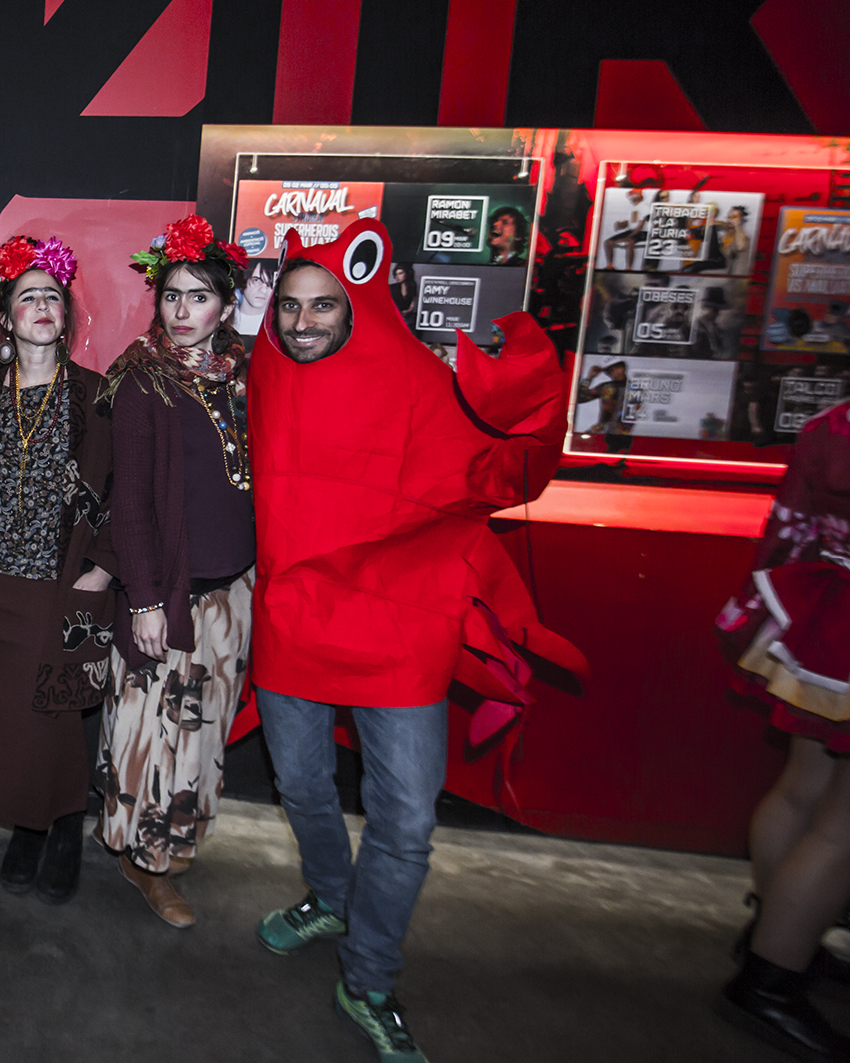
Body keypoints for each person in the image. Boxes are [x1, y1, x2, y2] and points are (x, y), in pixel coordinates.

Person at [245, 218, 583, 1063]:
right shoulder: (266, 369)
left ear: (360, 300)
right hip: (295, 623)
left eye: (323, 305)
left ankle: (368, 979)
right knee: (303, 787)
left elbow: (496, 474)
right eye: (290, 306)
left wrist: (530, 402)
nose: (303, 322)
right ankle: (332, 898)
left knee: (403, 822)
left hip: (397, 631)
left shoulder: (418, 379)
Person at [90, 216, 256, 928]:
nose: (182, 311)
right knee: (153, 735)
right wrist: (146, 600)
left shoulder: (243, 375)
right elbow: (128, 502)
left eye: (199, 296)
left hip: (233, 590)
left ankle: (174, 839)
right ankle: (144, 859)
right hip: (169, 594)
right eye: (172, 295)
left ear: (226, 304)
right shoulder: (141, 381)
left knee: (203, 734)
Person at [0, 235, 115, 904]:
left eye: (51, 297)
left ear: (65, 316)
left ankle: (64, 825)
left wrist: (102, 570)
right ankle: (27, 827)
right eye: (27, 297)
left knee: (56, 715)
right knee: (6, 714)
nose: (41, 306)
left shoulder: (95, 394)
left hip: (62, 583)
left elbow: (120, 491)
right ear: (6, 316)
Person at [714, 399, 850, 1060]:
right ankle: (772, 978)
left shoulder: (832, 423)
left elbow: (788, 530)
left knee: (803, 787)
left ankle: (779, 936)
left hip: (826, 615)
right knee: (842, 824)